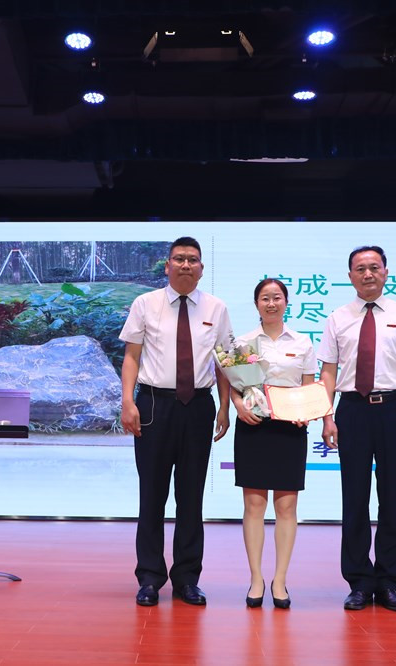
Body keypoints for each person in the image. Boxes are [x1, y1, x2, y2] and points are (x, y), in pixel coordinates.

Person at [317, 246, 396, 613]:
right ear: (350, 276)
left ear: (385, 272)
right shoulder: (338, 318)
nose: (367, 274)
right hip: (352, 410)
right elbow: (328, 372)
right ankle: (358, 582)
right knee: (354, 498)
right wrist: (327, 416)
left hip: (394, 409)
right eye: (360, 269)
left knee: (393, 498)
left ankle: (388, 583)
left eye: (374, 267)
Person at [119, 236, 233, 607]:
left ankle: (187, 579)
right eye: (179, 259)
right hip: (154, 405)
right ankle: (150, 578)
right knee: (152, 495)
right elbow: (132, 356)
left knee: (191, 496)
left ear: (202, 267)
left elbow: (225, 362)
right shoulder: (146, 304)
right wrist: (127, 401)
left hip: (198, 406)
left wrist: (224, 407)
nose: (186, 265)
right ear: (167, 265)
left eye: (192, 259)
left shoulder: (216, 308)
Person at [232, 278, 317, 610]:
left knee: (286, 508)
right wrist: (238, 406)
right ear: (257, 304)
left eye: (277, 298)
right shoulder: (243, 342)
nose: (271, 303)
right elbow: (234, 385)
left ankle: (279, 580)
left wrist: (306, 412)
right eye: (265, 298)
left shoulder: (303, 342)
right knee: (254, 506)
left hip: (289, 429)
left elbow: (309, 387)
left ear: (286, 302)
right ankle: (256, 578)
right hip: (254, 426)